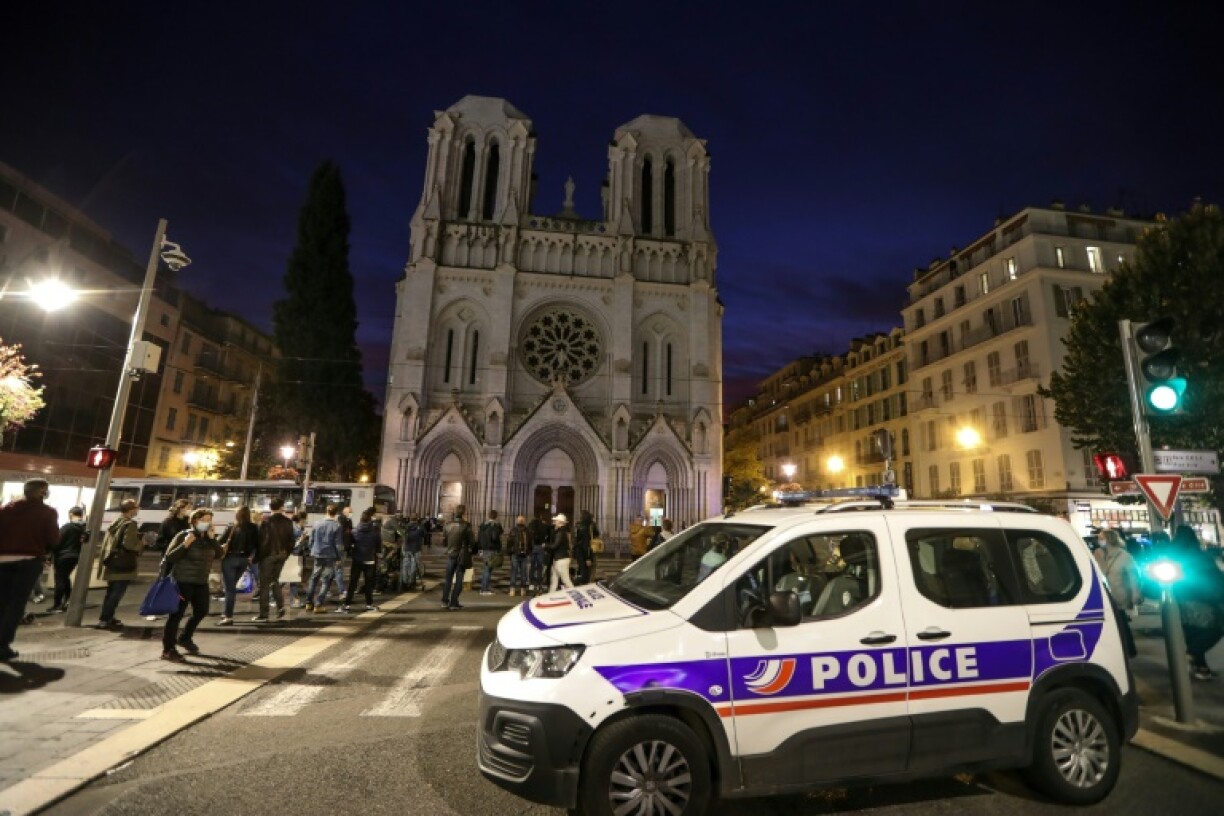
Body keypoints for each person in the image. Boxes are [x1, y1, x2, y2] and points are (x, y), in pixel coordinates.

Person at [0, 479, 59, 662]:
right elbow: (53, 539)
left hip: (2, 560)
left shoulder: (5, 509)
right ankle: (2, 646)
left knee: (1, 602)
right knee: (16, 605)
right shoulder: (47, 512)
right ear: (42, 492)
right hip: (28, 561)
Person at [161, 509, 222, 662]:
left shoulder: (208, 538)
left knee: (202, 611)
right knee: (176, 615)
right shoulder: (183, 535)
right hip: (182, 581)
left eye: (209, 520)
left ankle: (185, 637)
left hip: (200, 581)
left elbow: (220, 554)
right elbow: (170, 557)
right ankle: (168, 649)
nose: (207, 523)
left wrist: (213, 540)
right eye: (204, 520)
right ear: (195, 521)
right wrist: (185, 544)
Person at [1171, 526, 1224, 680]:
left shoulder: (1174, 557)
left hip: (1183, 600)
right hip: (1203, 599)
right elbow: (1214, 578)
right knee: (1216, 628)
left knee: (1192, 632)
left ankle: (1201, 668)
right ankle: (1192, 653)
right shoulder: (1199, 555)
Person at [96, 499, 143, 630]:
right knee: (116, 594)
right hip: (123, 565)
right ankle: (105, 619)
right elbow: (129, 544)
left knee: (111, 593)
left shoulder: (116, 521)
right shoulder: (130, 524)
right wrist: (142, 543)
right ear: (131, 510)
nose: (137, 510)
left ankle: (107, 617)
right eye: (136, 508)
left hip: (112, 562)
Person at [1094, 529, 1139, 657]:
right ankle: (1123, 650)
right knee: (1115, 623)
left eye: (1101, 538)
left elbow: (1133, 577)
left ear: (1109, 539)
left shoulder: (1124, 556)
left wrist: (1135, 594)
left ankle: (1128, 650)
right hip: (1103, 594)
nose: (1099, 541)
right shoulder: (1097, 554)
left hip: (1119, 594)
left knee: (1120, 622)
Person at [253, 497, 295, 622]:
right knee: (275, 580)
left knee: (264, 585)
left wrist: (257, 557)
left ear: (270, 507)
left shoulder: (266, 521)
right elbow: (291, 540)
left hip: (268, 555)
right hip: (282, 555)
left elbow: (262, 542)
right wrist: (286, 553)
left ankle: (264, 614)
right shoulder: (288, 522)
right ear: (282, 507)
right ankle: (280, 607)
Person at [217, 506, 259, 625]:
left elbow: (220, 541)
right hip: (244, 559)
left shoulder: (232, 526)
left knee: (229, 588)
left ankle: (228, 616)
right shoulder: (254, 527)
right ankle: (226, 612)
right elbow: (257, 544)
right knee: (232, 586)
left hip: (230, 558)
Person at [305, 505, 344, 613]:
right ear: (336, 513)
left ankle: (308, 603)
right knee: (326, 580)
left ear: (326, 511)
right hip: (330, 555)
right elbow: (338, 545)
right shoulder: (337, 526)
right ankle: (318, 604)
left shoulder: (317, 523)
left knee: (314, 578)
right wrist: (339, 557)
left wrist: (312, 549)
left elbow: (311, 539)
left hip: (317, 553)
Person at [48, 506, 87, 612]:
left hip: (63, 556)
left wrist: (49, 555)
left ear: (71, 514)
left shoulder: (67, 527)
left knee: (60, 579)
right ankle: (68, 600)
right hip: (75, 556)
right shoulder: (84, 528)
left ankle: (57, 605)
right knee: (65, 578)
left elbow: (57, 542)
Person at [342, 509, 381, 612]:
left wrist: (352, 551)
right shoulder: (375, 531)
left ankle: (347, 604)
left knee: (353, 583)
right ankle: (369, 604)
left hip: (357, 560)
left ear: (360, 519)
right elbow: (378, 546)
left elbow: (349, 544)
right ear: (370, 519)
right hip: (370, 560)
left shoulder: (355, 531)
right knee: (368, 583)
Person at [441, 505, 474, 610]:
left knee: (448, 579)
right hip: (461, 555)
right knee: (459, 579)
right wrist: (472, 550)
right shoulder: (466, 525)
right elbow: (472, 542)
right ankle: (454, 602)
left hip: (451, 554)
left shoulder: (447, 525)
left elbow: (444, 541)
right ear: (464, 513)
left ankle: (444, 601)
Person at [478, 510, 504, 595]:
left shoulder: (483, 525)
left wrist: (480, 549)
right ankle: (485, 589)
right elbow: (495, 537)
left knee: (486, 569)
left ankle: (484, 588)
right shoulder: (495, 526)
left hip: (484, 549)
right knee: (488, 570)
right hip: (492, 550)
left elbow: (479, 537)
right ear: (496, 516)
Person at [549, 513, 575, 592]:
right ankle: (551, 594)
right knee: (554, 579)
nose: (554, 523)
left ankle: (574, 593)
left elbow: (555, 545)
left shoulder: (561, 533)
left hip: (561, 559)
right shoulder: (561, 532)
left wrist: (545, 546)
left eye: (556, 521)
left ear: (560, 523)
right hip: (559, 558)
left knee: (565, 580)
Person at [507, 515, 531, 597]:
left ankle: (515, 590)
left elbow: (509, 542)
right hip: (519, 554)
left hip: (519, 554)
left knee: (517, 572)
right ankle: (519, 589)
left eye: (521, 519)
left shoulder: (516, 530)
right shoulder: (525, 530)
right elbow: (509, 542)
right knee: (520, 572)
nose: (520, 521)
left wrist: (510, 552)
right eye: (520, 519)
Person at [574, 510, 599, 585]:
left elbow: (577, 540)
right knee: (586, 575)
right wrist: (588, 558)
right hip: (586, 552)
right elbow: (586, 544)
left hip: (579, 552)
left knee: (582, 571)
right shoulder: (589, 527)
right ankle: (573, 583)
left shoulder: (579, 526)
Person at [401, 514, 425, 591]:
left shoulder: (406, 526)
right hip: (416, 549)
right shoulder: (420, 527)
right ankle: (411, 582)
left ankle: (405, 582)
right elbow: (424, 535)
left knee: (406, 565)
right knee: (414, 565)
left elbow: (402, 536)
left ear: (410, 519)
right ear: (417, 519)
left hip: (407, 548)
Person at [528, 513, 551, 592]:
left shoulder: (530, 526)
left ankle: (531, 583)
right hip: (540, 547)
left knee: (532, 566)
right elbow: (547, 536)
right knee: (540, 566)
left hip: (532, 547)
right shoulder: (544, 526)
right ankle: (538, 584)